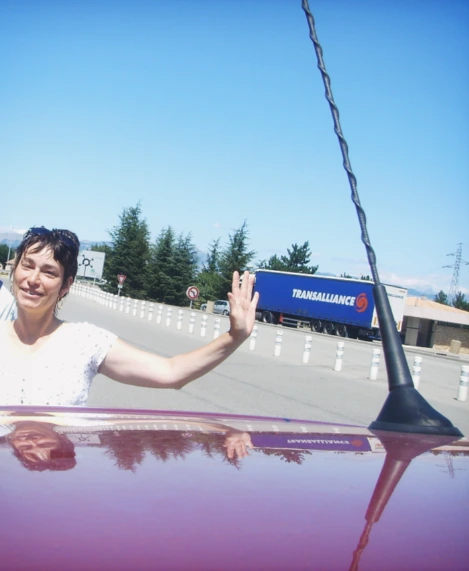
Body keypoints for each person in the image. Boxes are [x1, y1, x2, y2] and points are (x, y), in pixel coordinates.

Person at [0, 226, 259, 406]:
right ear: (14, 269)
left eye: (49, 272)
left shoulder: (84, 342)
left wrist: (234, 337)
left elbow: (171, 372)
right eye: (27, 266)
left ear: (66, 285)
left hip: (54, 469)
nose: (33, 279)